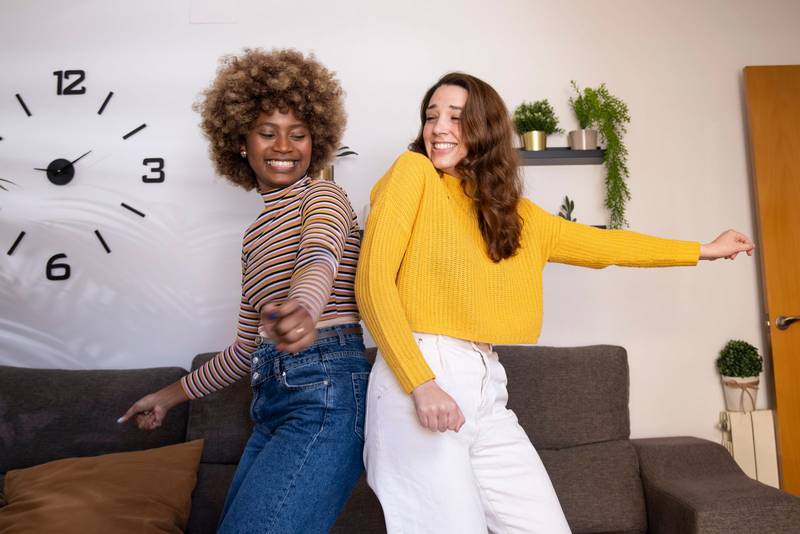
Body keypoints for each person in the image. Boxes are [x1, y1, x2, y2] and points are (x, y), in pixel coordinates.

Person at [355, 72, 754, 534]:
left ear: (486, 129)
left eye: (456, 117)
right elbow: (373, 283)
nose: (438, 128)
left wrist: (702, 250)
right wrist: (421, 384)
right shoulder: (414, 174)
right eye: (431, 116)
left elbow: (604, 246)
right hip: (420, 371)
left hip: (486, 382)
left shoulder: (510, 214)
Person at [118, 48, 369, 534]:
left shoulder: (324, 196)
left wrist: (304, 306)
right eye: (267, 132)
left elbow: (320, 255)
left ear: (316, 141)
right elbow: (244, 349)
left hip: (325, 391)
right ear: (239, 142)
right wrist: (167, 397)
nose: (284, 145)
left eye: (298, 133)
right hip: (270, 404)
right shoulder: (254, 237)